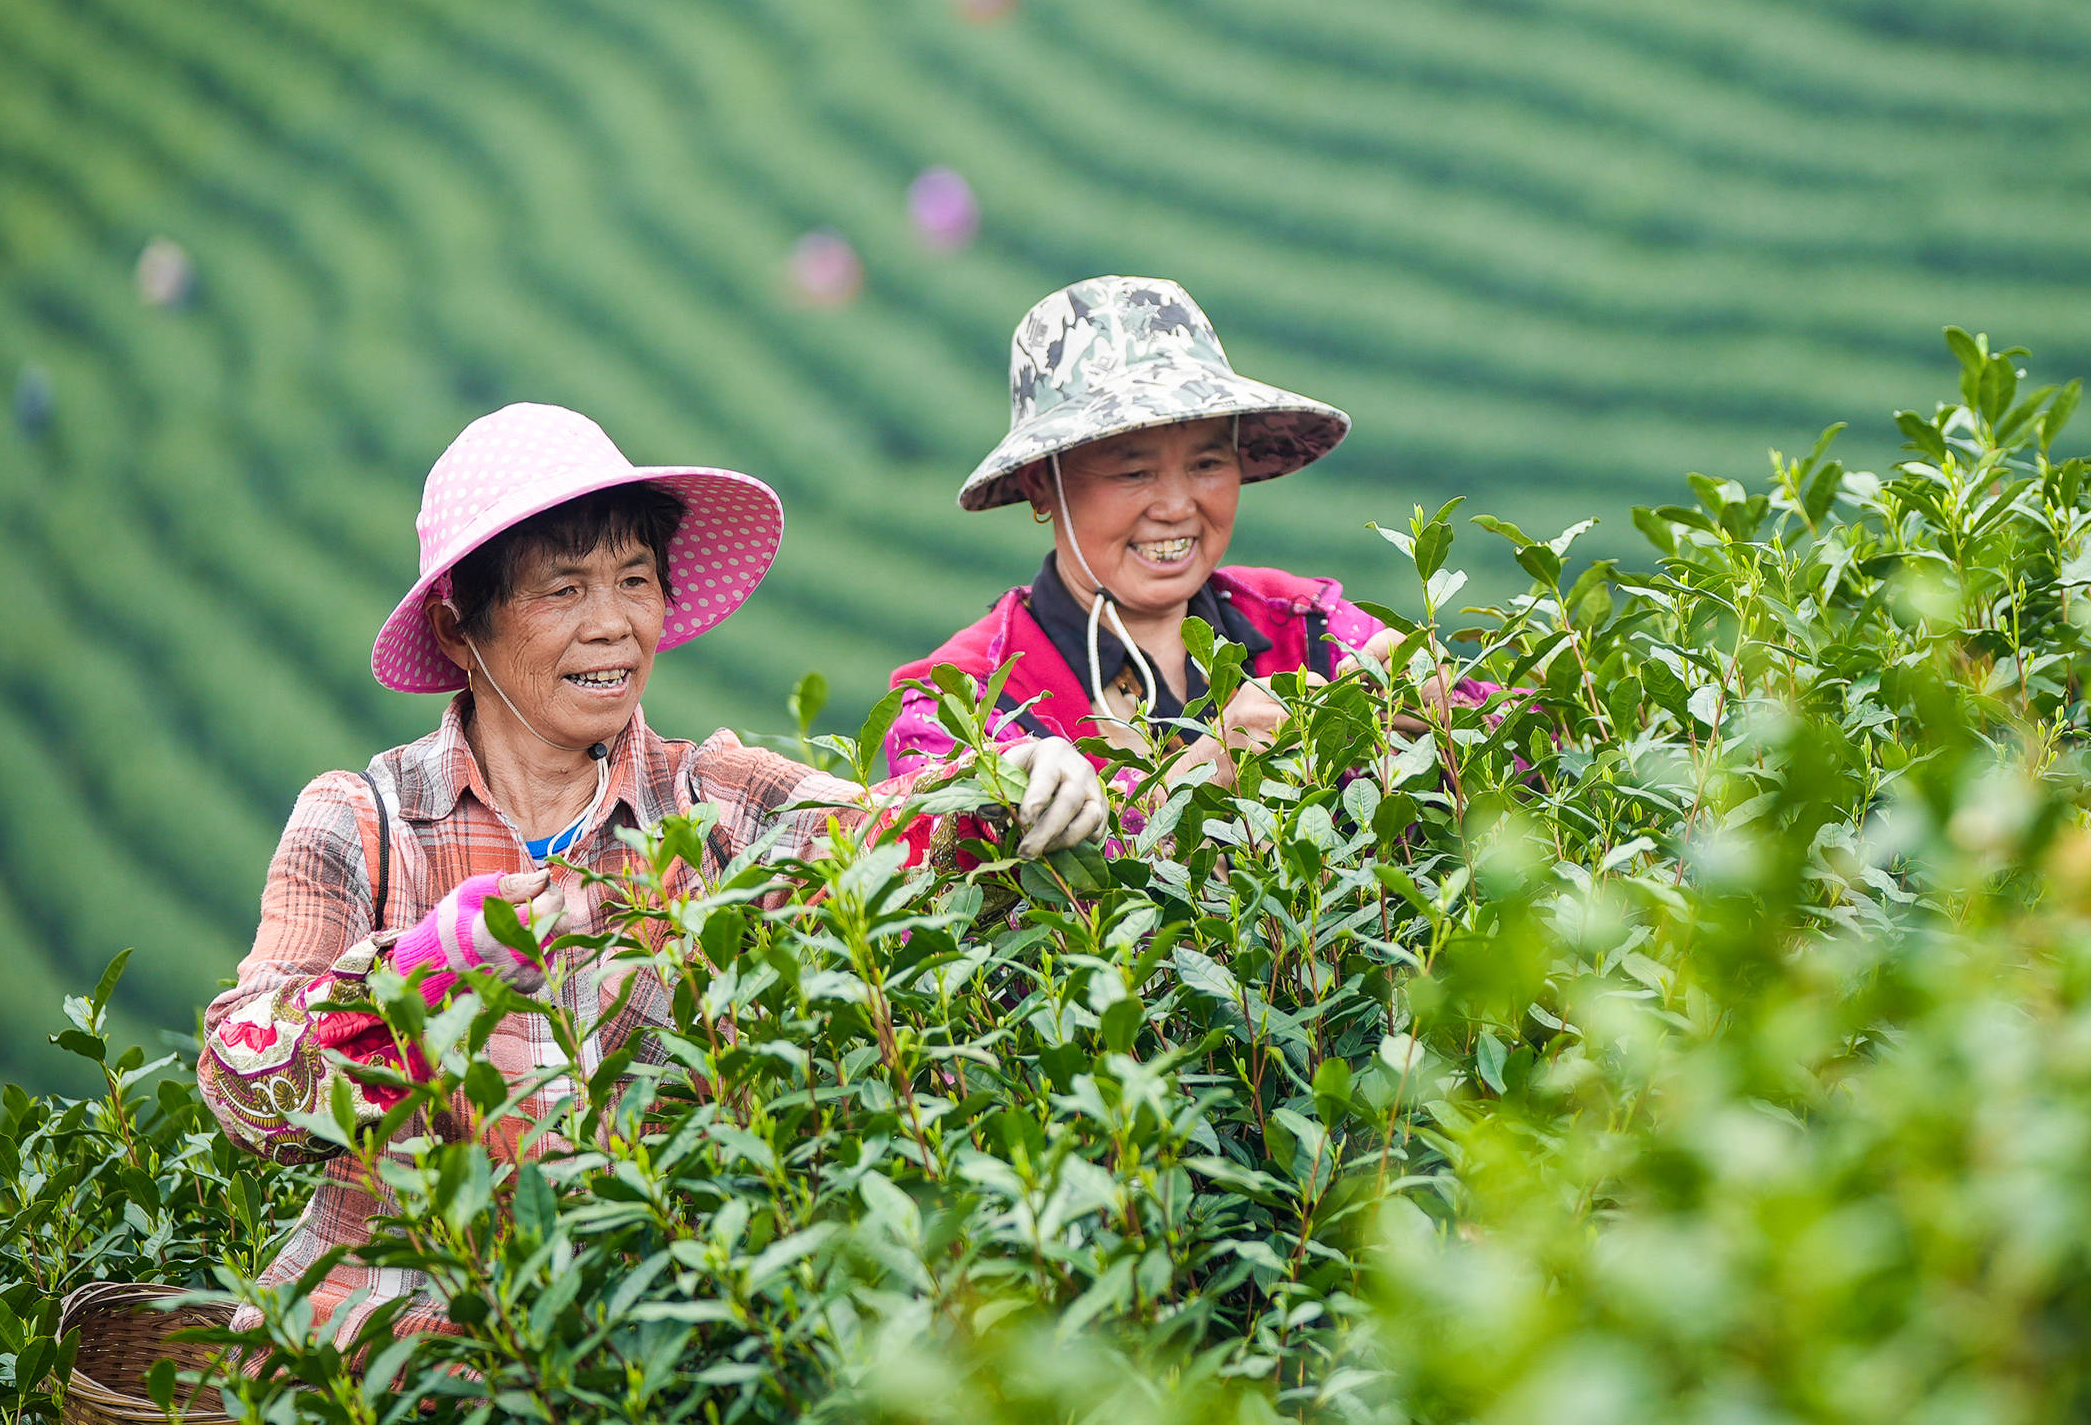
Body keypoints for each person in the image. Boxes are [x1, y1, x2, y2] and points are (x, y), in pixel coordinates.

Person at [199, 403, 1104, 1341]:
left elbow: (891, 837)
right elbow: (241, 1080)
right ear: (458, 624)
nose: (613, 625)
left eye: (634, 580)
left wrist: (1016, 776)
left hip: (641, 1375)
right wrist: (435, 964)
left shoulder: (709, 802)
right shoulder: (365, 821)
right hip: (377, 1390)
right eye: (562, 590)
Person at [881, 276, 1479, 787]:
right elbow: (954, 892)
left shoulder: (1303, 624)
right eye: (1134, 471)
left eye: (1208, 464)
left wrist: (1450, 720)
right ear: (1043, 483)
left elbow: (1534, 771)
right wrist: (1194, 786)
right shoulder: (958, 706)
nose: (1176, 505)